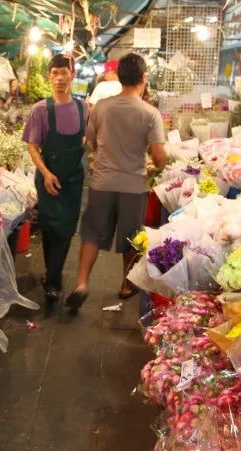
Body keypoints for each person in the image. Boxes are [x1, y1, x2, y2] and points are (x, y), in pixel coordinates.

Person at [65, 53, 167, 314]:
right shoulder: (150, 113)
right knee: (132, 238)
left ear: (119, 78)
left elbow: (92, 141)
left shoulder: (102, 107)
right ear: (143, 79)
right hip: (134, 185)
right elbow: (159, 155)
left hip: (102, 182)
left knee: (91, 234)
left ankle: (81, 283)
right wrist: (156, 166)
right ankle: (125, 285)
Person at [22, 54, 89, 307]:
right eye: (55, 73)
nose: (60, 78)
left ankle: (53, 282)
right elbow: (32, 146)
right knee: (50, 227)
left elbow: (88, 139)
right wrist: (46, 173)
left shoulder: (84, 108)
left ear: (72, 74)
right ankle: (52, 277)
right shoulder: (40, 109)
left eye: (64, 72)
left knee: (66, 229)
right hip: (48, 178)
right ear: (49, 76)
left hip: (73, 181)